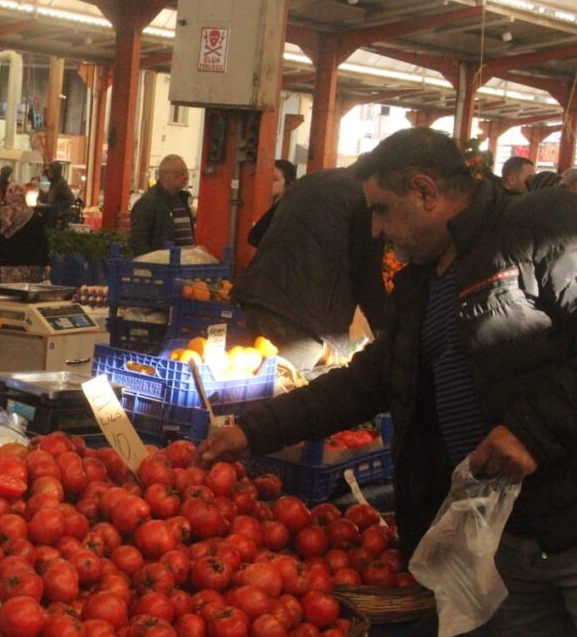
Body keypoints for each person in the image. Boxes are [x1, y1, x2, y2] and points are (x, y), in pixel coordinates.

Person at [198, 127, 577, 634]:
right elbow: (370, 379)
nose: (375, 230)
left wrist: (532, 431)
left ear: (425, 192)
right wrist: (254, 429)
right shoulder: (421, 279)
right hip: (500, 538)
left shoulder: (539, 228)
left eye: (381, 209)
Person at [230, 167, 387, 371]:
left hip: (256, 298)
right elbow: (368, 281)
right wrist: (388, 338)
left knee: (256, 385)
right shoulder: (366, 199)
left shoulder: (311, 181)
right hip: (301, 317)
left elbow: (256, 234)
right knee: (285, 390)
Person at [0, 182, 50, 283]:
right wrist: (46, 263)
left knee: (3, 297)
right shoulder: (34, 216)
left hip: (3, 264)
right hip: (31, 267)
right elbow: (42, 241)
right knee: (26, 297)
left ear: (7, 195)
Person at [128, 155, 194, 256]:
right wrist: (154, 264)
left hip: (184, 266)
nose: (186, 177)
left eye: (186, 172)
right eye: (181, 173)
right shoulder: (148, 203)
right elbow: (138, 241)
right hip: (162, 268)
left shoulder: (183, 200)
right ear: (166, 175)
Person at [247, 159, 297, 247]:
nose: (268, 183)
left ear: (288, 184)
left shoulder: (289, 212)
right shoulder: (261, 205)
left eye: (274, 179)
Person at [41, 161, 75, 229]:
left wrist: (58, 208)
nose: (49, 173)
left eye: (51, 171)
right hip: (51, 214)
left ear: (56, 172)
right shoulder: (52, 183)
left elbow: (71, 199)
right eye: (48, 171)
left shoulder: (61, 184)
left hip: (58, 217)